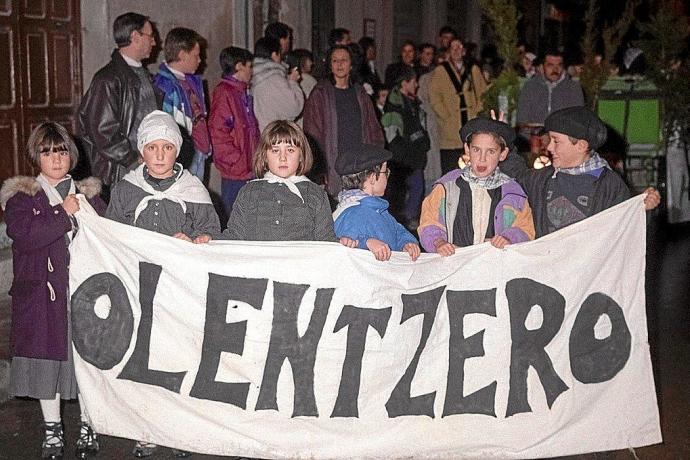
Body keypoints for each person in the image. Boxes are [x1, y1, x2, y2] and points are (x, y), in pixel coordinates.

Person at [0, 122, 106, 460]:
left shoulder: (90, 195)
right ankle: (52, 429)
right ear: (36, 157)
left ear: (71, 155)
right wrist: (63, 212)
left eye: (60, 151)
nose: (55, 158)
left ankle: (90, 423)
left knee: (88, 363)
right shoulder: (21, 199)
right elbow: (27, 235)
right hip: (43, 298)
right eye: (47, 152)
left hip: (83, 294)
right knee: (49, 364)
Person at [501, 106, 661, 237]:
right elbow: (517, 173)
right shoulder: (544, 178)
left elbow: (625, 227)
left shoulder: (608, 184)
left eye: (556, 141)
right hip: (548, 269)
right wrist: (502, 139)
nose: (549, 147)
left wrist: (643, 209)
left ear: (581, 146)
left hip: (587, 272)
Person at [222, 120, 352, 244]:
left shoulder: (316, 194)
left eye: (290, 150)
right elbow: (234, 235)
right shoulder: (249, 192)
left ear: (301, 156)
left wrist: (342, 243)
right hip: (258, 265)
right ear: (264, 157)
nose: (282, 158)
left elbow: (325, 240)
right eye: (275, 150)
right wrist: (209, 242)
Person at [419, 117, 535, 255]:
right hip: (455, 263)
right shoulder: (446, 187)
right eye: (476, 150)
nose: (482, 158)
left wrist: (509, 238)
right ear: (467, 149)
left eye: (491, 151)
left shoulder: (513, 193)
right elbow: (429, 222)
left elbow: (526, 229)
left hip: (494, 265)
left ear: (503, 154)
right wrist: (438, 243)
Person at [78, 12, 161, 198]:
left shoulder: (141, 74)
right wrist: (133, 159)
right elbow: (103, 132)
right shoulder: (107, 79)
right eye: (150, 36)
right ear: (135, 37)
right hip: (123, 170)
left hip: (144, 165)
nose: (154, 42)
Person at [303, 45, 385, 196]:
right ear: (329, 65)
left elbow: (373, 128)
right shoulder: (320, 94)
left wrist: (375, 161)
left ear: (351, 64)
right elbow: (312, 134)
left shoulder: (360, 94)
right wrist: (319, 169)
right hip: (332, 164)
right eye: (335, 60)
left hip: (358, 163)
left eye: (344, 60)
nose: (339, 64)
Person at [333, 144, 421, 261]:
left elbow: (397, 231)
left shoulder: (378, 209)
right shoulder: (351, 214)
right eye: (386, 172)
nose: (388, 177)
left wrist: (406, 243)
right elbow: (344, 249)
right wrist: (366, 243)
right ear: (373, 177)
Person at [153, 27, 211, 182]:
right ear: (182, 55)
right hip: (183, 157)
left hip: (199, 151)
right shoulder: (164, 86)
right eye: (196, 56)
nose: (200, 60)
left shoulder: (192, 80)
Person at [209, 46, 260, 215]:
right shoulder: (225, 93)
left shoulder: (240, 92)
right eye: (249, 66)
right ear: (239, 66)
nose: (252, 71)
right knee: (234, 216)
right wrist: (236, 160)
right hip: (236, 173)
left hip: (247, 169)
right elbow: (218, 131)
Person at [429, 37, 488, 175]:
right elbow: (434, 96)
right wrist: (445, 116)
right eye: (453, 48)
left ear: (464, 51)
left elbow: (483, 94)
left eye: (459, 47)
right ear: (449, 51)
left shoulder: (473, 70)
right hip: (450, 131)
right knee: (450, 172)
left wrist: (476, 113)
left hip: (471, 126)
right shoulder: (440, 72)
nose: (456, 51)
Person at [381, 67, 430, 227]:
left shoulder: (412, 103)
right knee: (401, 192)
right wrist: (401, 153)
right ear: (405, 83)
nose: (416, 85)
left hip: (413, 157)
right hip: (402, 159)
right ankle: (400, 222)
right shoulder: (395, 105)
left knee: (416, 188)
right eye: (414, 81)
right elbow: (392, 134)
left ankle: (406, 220)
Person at [516, 50, 584, 129]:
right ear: (542, 67)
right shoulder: (530, 87)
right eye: (550, 65)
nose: (555, 69)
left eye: (559, 65)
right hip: (533, 136)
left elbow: (577, 121)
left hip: (562, 137)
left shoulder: (573, 88)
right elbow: (522, 120)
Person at [251, 36, 304, 131]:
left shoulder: (252, 75)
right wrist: (293, 82)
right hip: (273, 134)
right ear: (274, 54)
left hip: (257, 133)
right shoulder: (274, 78)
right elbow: (294, 108)